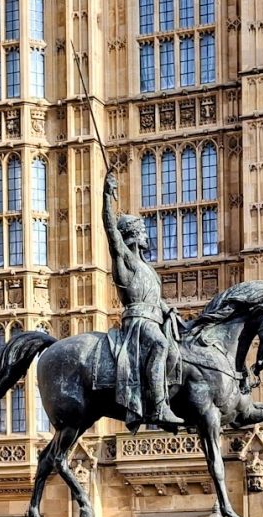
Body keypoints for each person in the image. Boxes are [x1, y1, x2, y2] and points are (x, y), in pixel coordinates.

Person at [102, 171, 185, 432]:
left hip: (155, 318)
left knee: (177, 350)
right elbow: (109, 229)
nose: (146, 235)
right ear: (133, 235)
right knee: (160, 345)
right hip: (138, 322)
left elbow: (155, 300)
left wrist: (169, 311)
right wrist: (107, 195)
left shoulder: (148, 269)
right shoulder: (124, 258)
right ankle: (159, 406)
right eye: (142, 230)